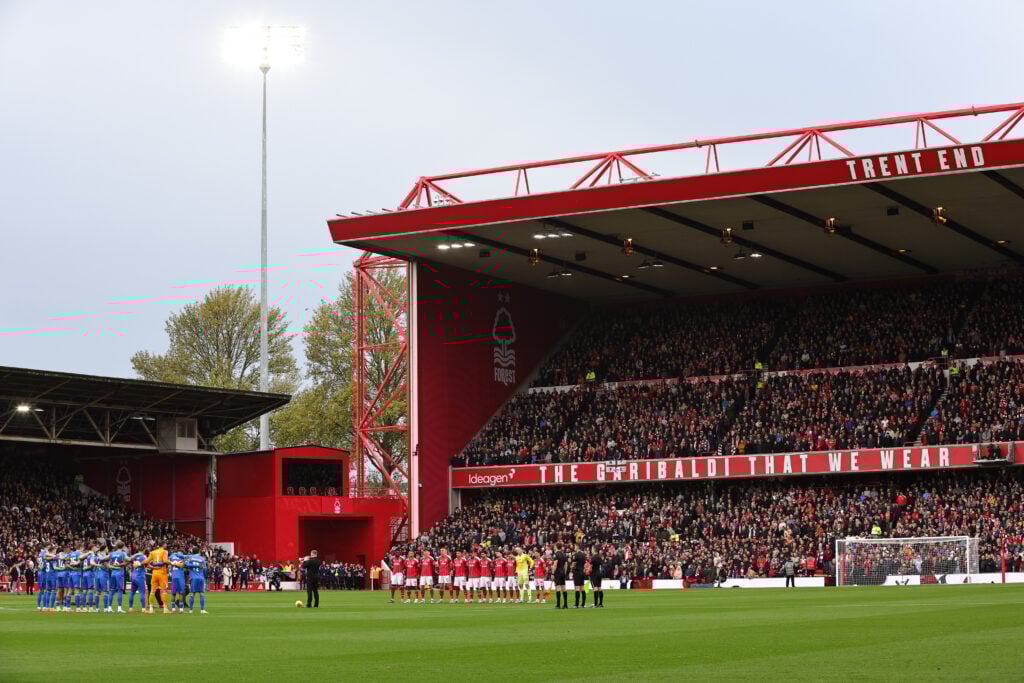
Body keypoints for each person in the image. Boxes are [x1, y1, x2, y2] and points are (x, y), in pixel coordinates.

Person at [146, 541, 170, 614]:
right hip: (162, 573)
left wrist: (153, 566)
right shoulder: (165, 551)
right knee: (164, 591)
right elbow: (165, 560)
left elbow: (147, 562)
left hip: (154, 574)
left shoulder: (152, 552)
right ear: (163, 545)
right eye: (166, 544)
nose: (166, 545)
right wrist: (172, 563)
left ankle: (150, 608)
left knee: (152, 591)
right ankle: (165, 609)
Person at [185, 548, 208, 614]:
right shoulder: (202, 559)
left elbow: (186, 563)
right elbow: (205, 569)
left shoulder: (190, 558)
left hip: (193, 578)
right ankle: (202, 610)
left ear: (192, 551)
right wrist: (204, 576)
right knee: (201, 593)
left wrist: (190, 565)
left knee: (192, 593)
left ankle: (191, 610)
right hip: (200, 577)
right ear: (199, 551)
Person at [108, 541, 128, 613]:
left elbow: (109, 563)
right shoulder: (123, 553)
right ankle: (119, 608)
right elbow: (127, 559)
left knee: (112, 590)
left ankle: (109, 608)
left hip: (113, 573)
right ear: (123, 547)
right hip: (120, 573)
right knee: (120, 590)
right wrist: (125, 563)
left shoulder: (112, 553)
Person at [128, 548, 148, 612]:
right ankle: (143, 609)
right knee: (142, 592)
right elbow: (147, 563)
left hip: (133, 577)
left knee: (132, 593)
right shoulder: (143, 557)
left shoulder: (135, 556)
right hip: (140, 577)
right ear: (143, 550)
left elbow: (130, 561)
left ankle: (130, 608)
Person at [553, 543, 568, 610]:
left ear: (556, 547)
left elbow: (555, 564)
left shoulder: (556, 554)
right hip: (563, 572)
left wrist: (553, 573)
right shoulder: (564, 554)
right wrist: (564, 572)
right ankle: (565, 604)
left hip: (558, 572)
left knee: (558, 587)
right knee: (563, 588)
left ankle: (558, 604)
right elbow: (566, 565)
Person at [573, 544, 587, 608]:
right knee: (582, 588)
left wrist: (571, 567)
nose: (574, 547)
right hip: (582, 572)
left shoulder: (576, 554)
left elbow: (574, 563)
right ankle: (583, 604)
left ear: (577, 547)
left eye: (575, 546)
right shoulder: (583, 554)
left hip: (577, 572)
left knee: (577, 588)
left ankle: (576, 604)